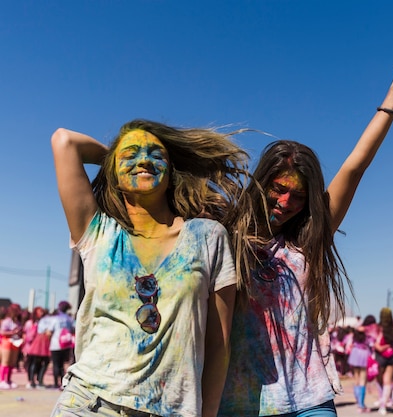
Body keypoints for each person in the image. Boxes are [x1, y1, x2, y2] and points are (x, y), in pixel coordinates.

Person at [218, 51, 393, 417]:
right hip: (240, 400)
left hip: (309, 400)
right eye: (278, 189)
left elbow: (355, 166)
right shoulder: (224, 236)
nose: (286, 202)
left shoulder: (307, 238)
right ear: (262, 183)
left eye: (299, 196)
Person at [50, 120, 247, 417]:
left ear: (171, 173)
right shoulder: (99, 233)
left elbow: (219, 345)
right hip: (89, 403)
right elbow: (64, 141)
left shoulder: (207, 236)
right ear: (113, 174)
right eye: (130, 154)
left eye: (156, 154)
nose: (144, 159)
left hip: (170, 410)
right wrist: (119, 160)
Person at [347, 314, 377, 412]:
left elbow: (351, 340)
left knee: (356, 378)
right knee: (363, 380)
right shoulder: (369, 331)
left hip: (355, 353)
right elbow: (372, 343)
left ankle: (358, 403)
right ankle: (361, 405)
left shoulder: (357, 328)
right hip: (364, 354)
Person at [0, 304, 23, 389]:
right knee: (5, 362)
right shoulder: (7, 321)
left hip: (15, 343)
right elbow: (2, 332)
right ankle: (2, 380)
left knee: (12, 363)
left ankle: (9, 380)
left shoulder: (17, 321)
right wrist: (12, 332)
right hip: (6, 343)